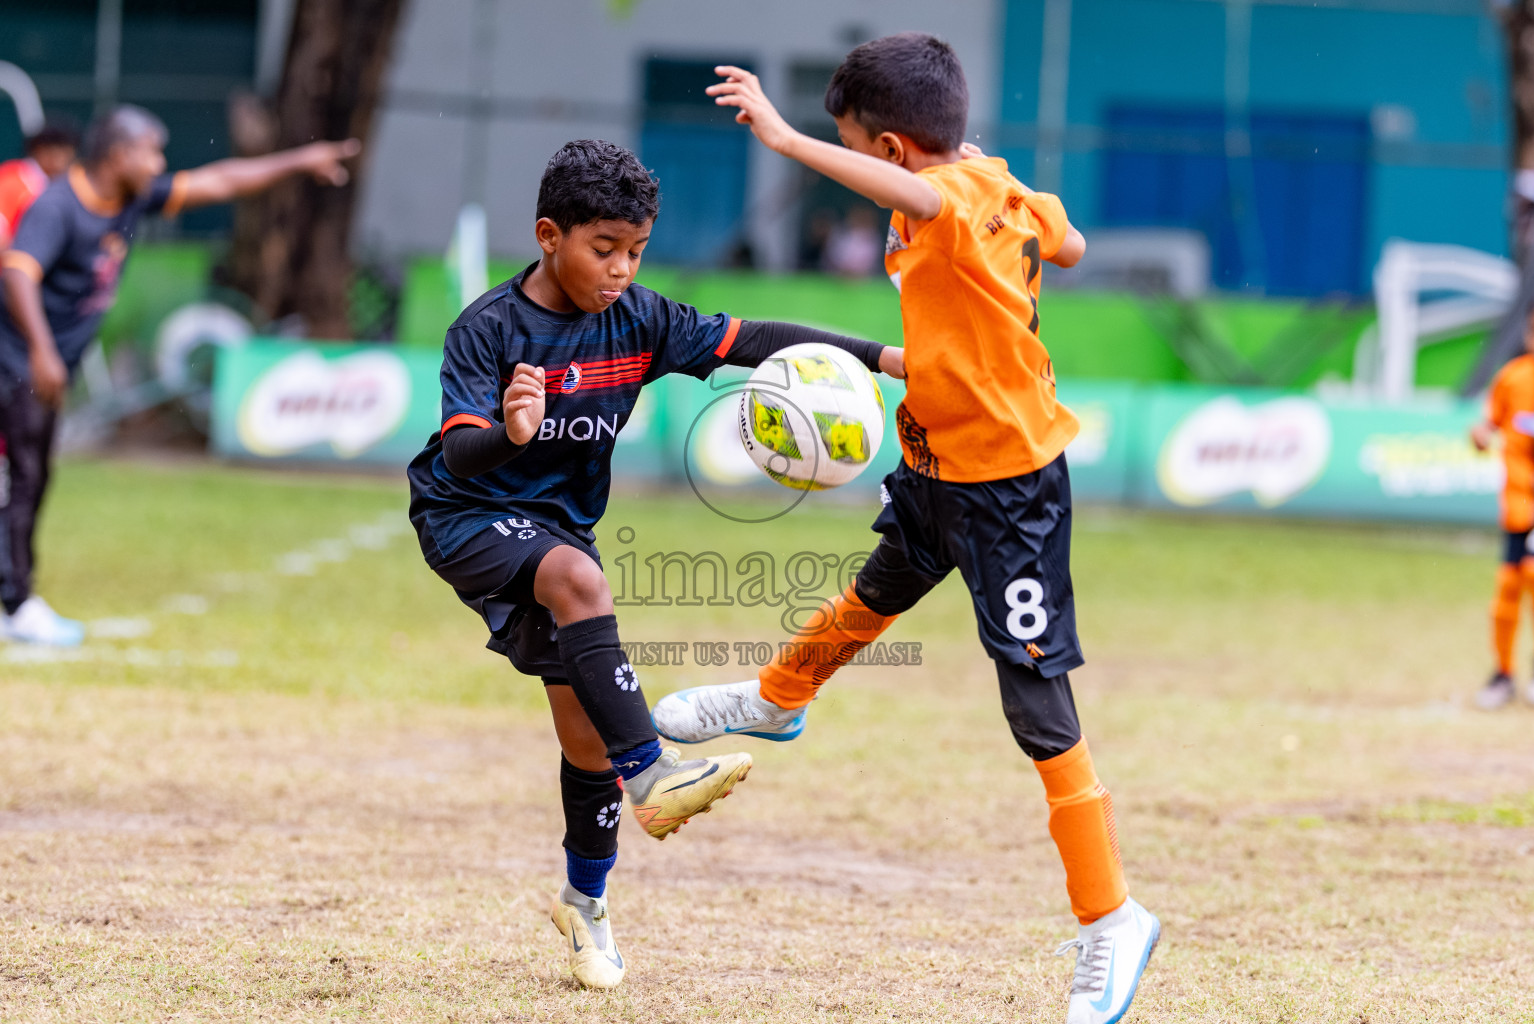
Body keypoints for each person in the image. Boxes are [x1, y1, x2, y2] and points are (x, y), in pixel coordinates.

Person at [651, 34, 1159, 1024]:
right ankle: (774, 698)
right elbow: (1072, 244)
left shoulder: (953, 197)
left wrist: (790, 141)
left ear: (889, 147)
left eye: (857, 154)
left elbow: (935, 202)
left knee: (1038, 707)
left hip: (1007, 487)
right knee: (879, 586)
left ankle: (1112, 917)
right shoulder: (999, 184)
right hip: (938, 455)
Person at [405, 138, 904, 991]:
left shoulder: (640, 321)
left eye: (635, 252)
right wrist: (510, 432)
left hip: (558, 531)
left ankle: (584, 902)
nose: (622, 270)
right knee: (580, 582)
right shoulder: (488, 329)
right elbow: (457, 458)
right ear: (548, 234)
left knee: (584, 737)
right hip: (468, 516)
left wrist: (884, 359)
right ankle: (657, 776)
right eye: (604, 250)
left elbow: (756, 340)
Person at [0, 105, 359, 645]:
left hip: (37, 371)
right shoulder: (60, 206)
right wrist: (43, 352)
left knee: (27, 479)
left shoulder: (130, 196)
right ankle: (17, 603)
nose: (159, 162)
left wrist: (298, 161)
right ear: (119, 154)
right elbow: (17, 273)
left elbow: (220, 181)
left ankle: (15, 599)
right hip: (14, 365)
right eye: (151, 150)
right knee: (24, 479)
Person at [1470, 307, 1534, 709]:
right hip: (1516, 505)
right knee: (1507, 587)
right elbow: (1488, 427)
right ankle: (1503, 674)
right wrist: (1478, 436)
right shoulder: (1512, 378)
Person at [0, 117, 79, 250]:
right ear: (42, 151)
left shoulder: (61, 184)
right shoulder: (12, 179)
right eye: (64, 152)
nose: (68, 159)